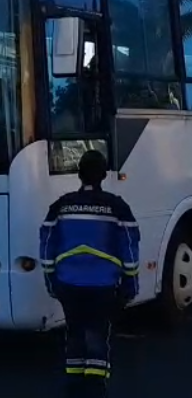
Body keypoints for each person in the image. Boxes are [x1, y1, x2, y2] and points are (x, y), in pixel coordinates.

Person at [39, 150, 140, 398]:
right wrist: (130, 282)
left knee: (74, 331)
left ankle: (74, 384)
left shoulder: (61, 205)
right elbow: (129, 245)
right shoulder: (116, 206)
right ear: (104, 175)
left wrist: (50, 278)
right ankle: (94, 387)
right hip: (102, 284)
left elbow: (47, 242)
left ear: (79, 174)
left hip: (68, 282)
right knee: (96, 333)